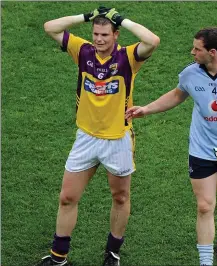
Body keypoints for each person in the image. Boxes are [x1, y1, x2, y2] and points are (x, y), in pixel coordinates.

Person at [36, 6, 160, 266]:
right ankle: (59, 257)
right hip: (86, 137)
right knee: (67, 197)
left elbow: (152, 41)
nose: (99, 39)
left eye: (105, 34)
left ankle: (112, 252)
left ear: (116, 35)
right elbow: (50, 27)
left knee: (120, 197)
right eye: (95, 33)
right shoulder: (83, 51)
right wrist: (85, 16)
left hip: (117, 139)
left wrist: (122, 19)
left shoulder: (128, 57)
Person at [125, 27, 217, 266]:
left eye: (197, 49)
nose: (192, 52)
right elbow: (176, 95)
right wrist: (146, 109)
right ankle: (205, 262)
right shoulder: (190, 73)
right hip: (201, 148)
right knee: (205, 206)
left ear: (212, 52)